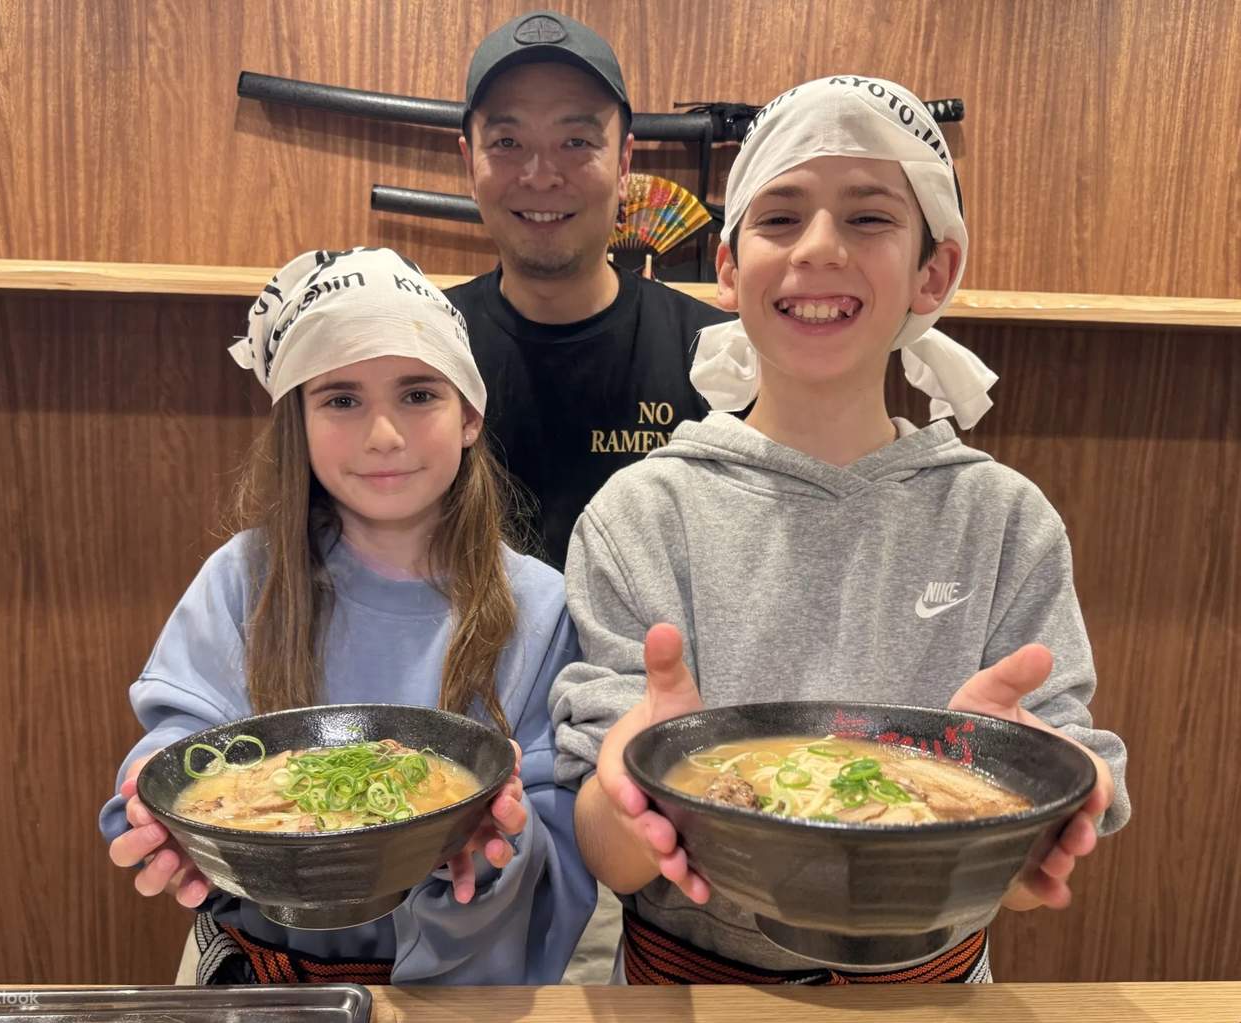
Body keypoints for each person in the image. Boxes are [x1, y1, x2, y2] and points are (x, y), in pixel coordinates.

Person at [550, 76, 1130, 984]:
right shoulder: (642, 513)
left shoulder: (1001, 518)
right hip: (689, 995)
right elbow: (607, 849)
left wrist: (1015, 795)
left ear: (931, 272)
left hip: (933, 997)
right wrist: (636, 778)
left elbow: (1029, 874)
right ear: (730, 270)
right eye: (779, 217)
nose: (819, 249)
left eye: (867, 219)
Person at [99, 247, 595, 985]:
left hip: (461, 992)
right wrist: (154, 784)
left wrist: (499, 843)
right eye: (341, 399)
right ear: (296, 420)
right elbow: (185, 735)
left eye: (419, 394)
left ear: (469, 414)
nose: (383, 435)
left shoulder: (540, 604)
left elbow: (557, 821)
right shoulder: (245, 578)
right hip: (264, 982)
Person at [446, 10, 733, 568]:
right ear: (469, 162)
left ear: (624, 160)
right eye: (506, 141)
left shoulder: (718, 355)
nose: (541, 175)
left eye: (576, 141)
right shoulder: (426, 346)